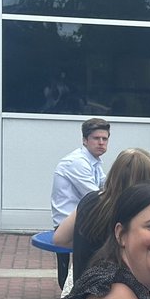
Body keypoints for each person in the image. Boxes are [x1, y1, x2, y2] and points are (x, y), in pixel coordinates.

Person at [53, 147, 150, 281]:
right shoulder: (138, 212)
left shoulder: (90, 200)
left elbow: (60, 239)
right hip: (118, 292)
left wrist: (89, 249)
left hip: (84, 289)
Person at [49, 117, 110, 288]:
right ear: (85, 140)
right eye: (96, 138)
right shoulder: (77, 162)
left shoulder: (94, 161)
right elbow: (96, 197)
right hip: (67, 225)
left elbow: (106, 186)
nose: (101, 143)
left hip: (83, 221)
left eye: (104, 139)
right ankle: (87, 286)